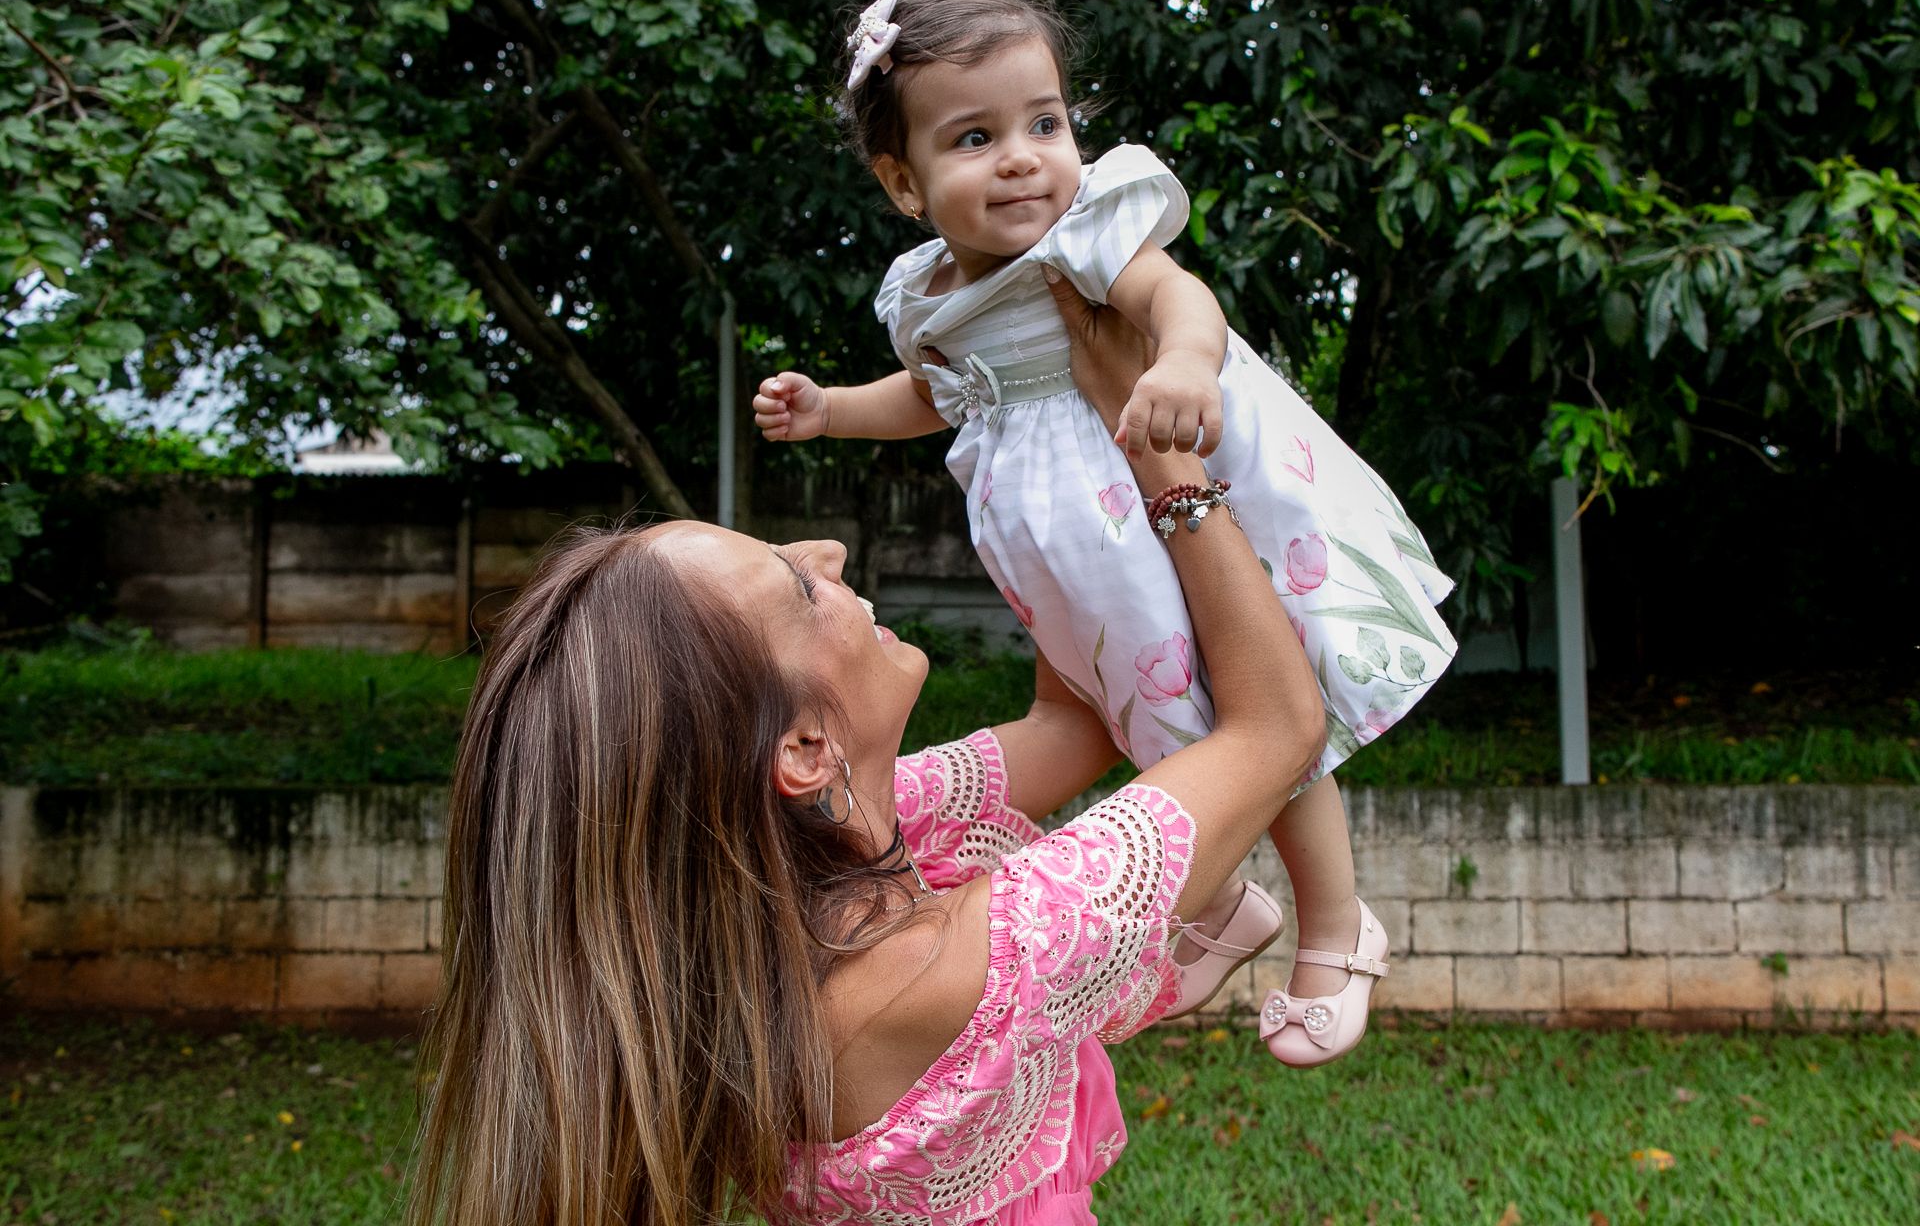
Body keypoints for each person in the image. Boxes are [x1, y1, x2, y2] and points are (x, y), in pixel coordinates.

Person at [404, 269, 1327, 1225]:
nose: (829, 554)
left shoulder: (793, 883)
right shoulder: (937, 973)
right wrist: (1165, 463)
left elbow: (1074, 726)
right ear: (805, 749)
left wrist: (1049, 437)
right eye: (797, 588)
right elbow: (1276, 728)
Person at [753, 0, 1456, 1065]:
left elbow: (1179, 297)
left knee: (1261, 710)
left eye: (1045, 119)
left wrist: (1182, 363)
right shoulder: (925, 292)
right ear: (904, 181)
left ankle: (1333, 920)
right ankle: (1223, 904)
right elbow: (939, 395)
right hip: (1074, 548)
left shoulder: (1087, 229)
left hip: (1154, 474)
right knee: (1158, 719)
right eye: (974, 138)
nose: (1025, 155)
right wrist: (832, 409)